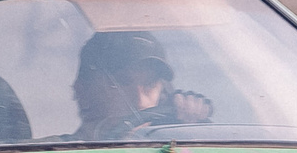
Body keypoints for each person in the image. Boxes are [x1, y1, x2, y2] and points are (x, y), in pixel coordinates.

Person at [69, 29, 212, 141]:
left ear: (162, 95)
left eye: (150, 84)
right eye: (122, 82)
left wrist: (192, 131)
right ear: (83, 92)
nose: (140, 102)